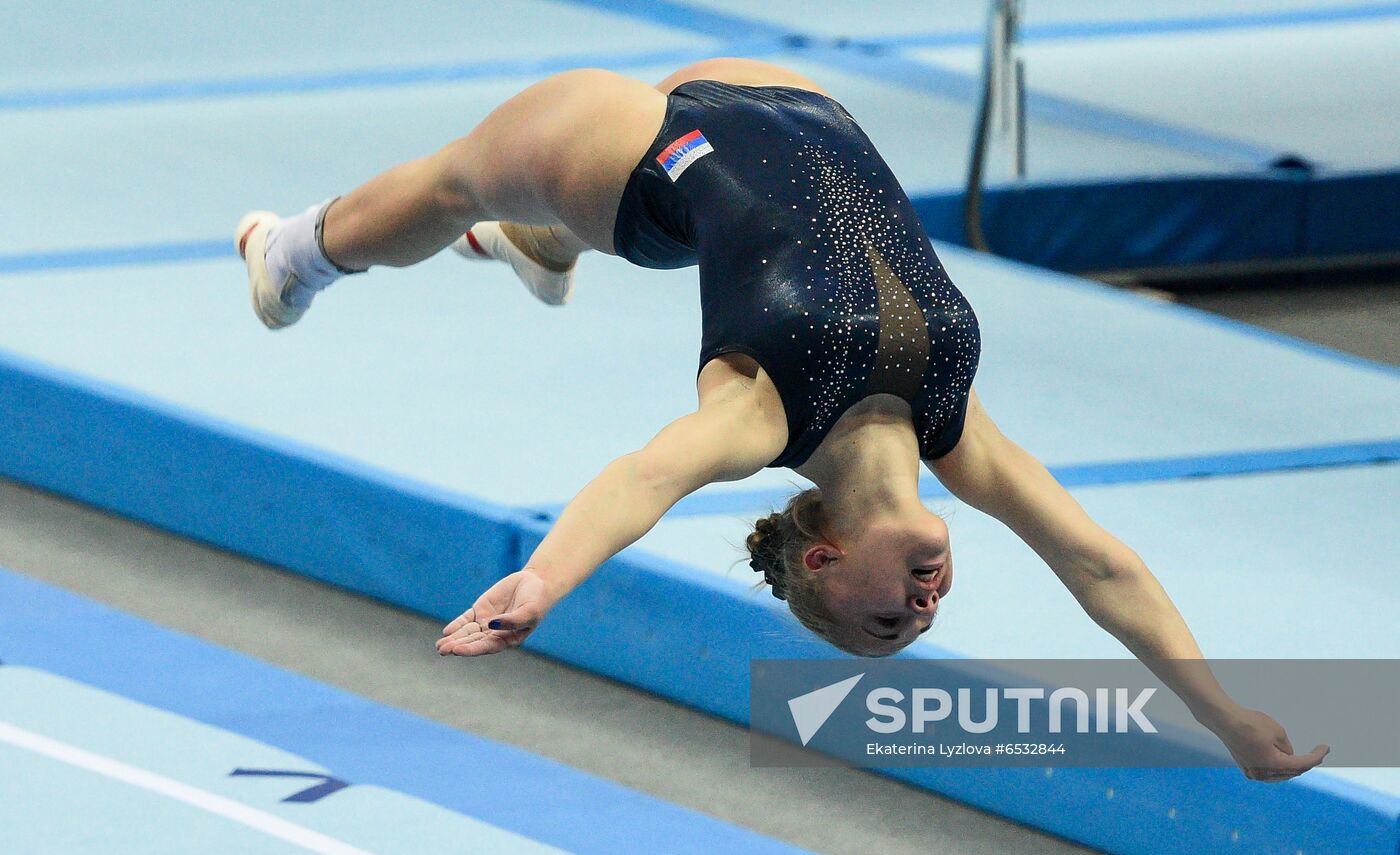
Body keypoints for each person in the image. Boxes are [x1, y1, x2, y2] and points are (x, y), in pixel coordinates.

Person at [237, 58, 1326, 781]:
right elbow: (1100, 568)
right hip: (803, 105)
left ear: (824, 552)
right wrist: (1224, 717)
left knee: (452, 185)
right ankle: (545, 245)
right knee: (564, 218)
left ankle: (287, 251)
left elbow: (640, 480)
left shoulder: (764, 411)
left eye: (886, 620)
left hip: (643, 153)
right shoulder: (955, 429)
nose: (924, 608)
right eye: (920, 621)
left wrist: (544, 580)